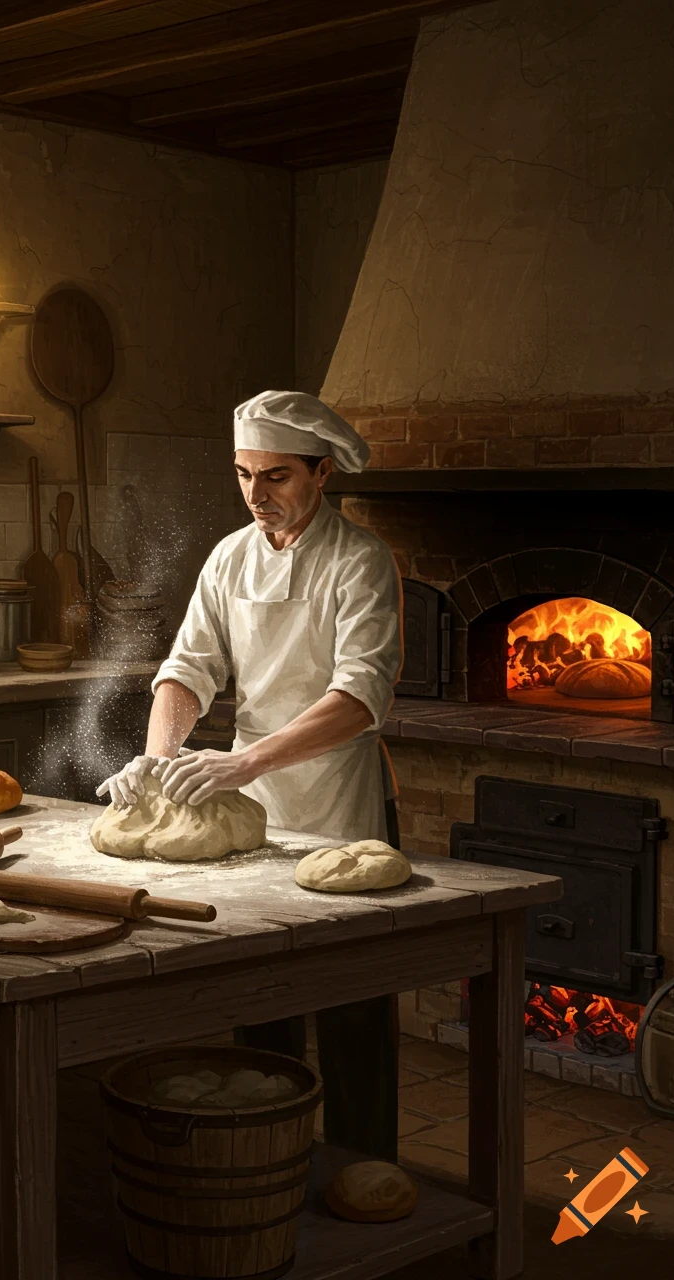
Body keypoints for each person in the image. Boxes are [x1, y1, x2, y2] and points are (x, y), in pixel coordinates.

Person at [98, 389, 404, 1157]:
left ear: (322, 473)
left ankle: (364, 1165)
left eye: (276, 477)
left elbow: (359, 696)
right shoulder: (229, 558)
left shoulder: (360, 561)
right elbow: (187, 669)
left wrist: (247, 761)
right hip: (248, 811)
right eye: (243, 475)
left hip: (339, 804)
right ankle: (271, 1164)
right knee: (262, 997)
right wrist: (159, 756)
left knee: (352, 1008)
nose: (256, 495)